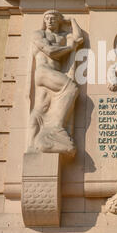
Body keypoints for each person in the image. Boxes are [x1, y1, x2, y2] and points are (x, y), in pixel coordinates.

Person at [27, 10, 83, 156]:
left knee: (41, 107)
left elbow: (79, 38)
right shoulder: (39, 34)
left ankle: (33, 144)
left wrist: (72, 20)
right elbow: (50, 51)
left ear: (59, 21)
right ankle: (57, 128)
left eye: (53, 18)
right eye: (47, 18)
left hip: (53, 74)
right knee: (70, 87)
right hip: (43, 71)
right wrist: (70, 48)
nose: (50, 21)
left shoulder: (63, 37)